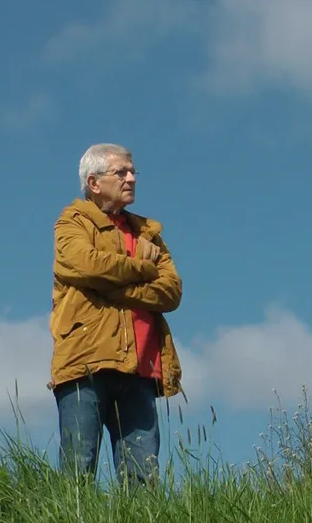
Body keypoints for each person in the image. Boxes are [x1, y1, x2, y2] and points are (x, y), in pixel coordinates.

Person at [49, 143, 183, 485]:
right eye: (121, 172)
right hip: (85, 363)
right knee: (77, 474)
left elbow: (171, 292)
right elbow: (87, 264)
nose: (131, 178)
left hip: (141, 368)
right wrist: (142, 265)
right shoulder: (72, 222)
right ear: (94, 182)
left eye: (132, 171)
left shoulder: (147, 232)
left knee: (143, 480)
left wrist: (113, 285)